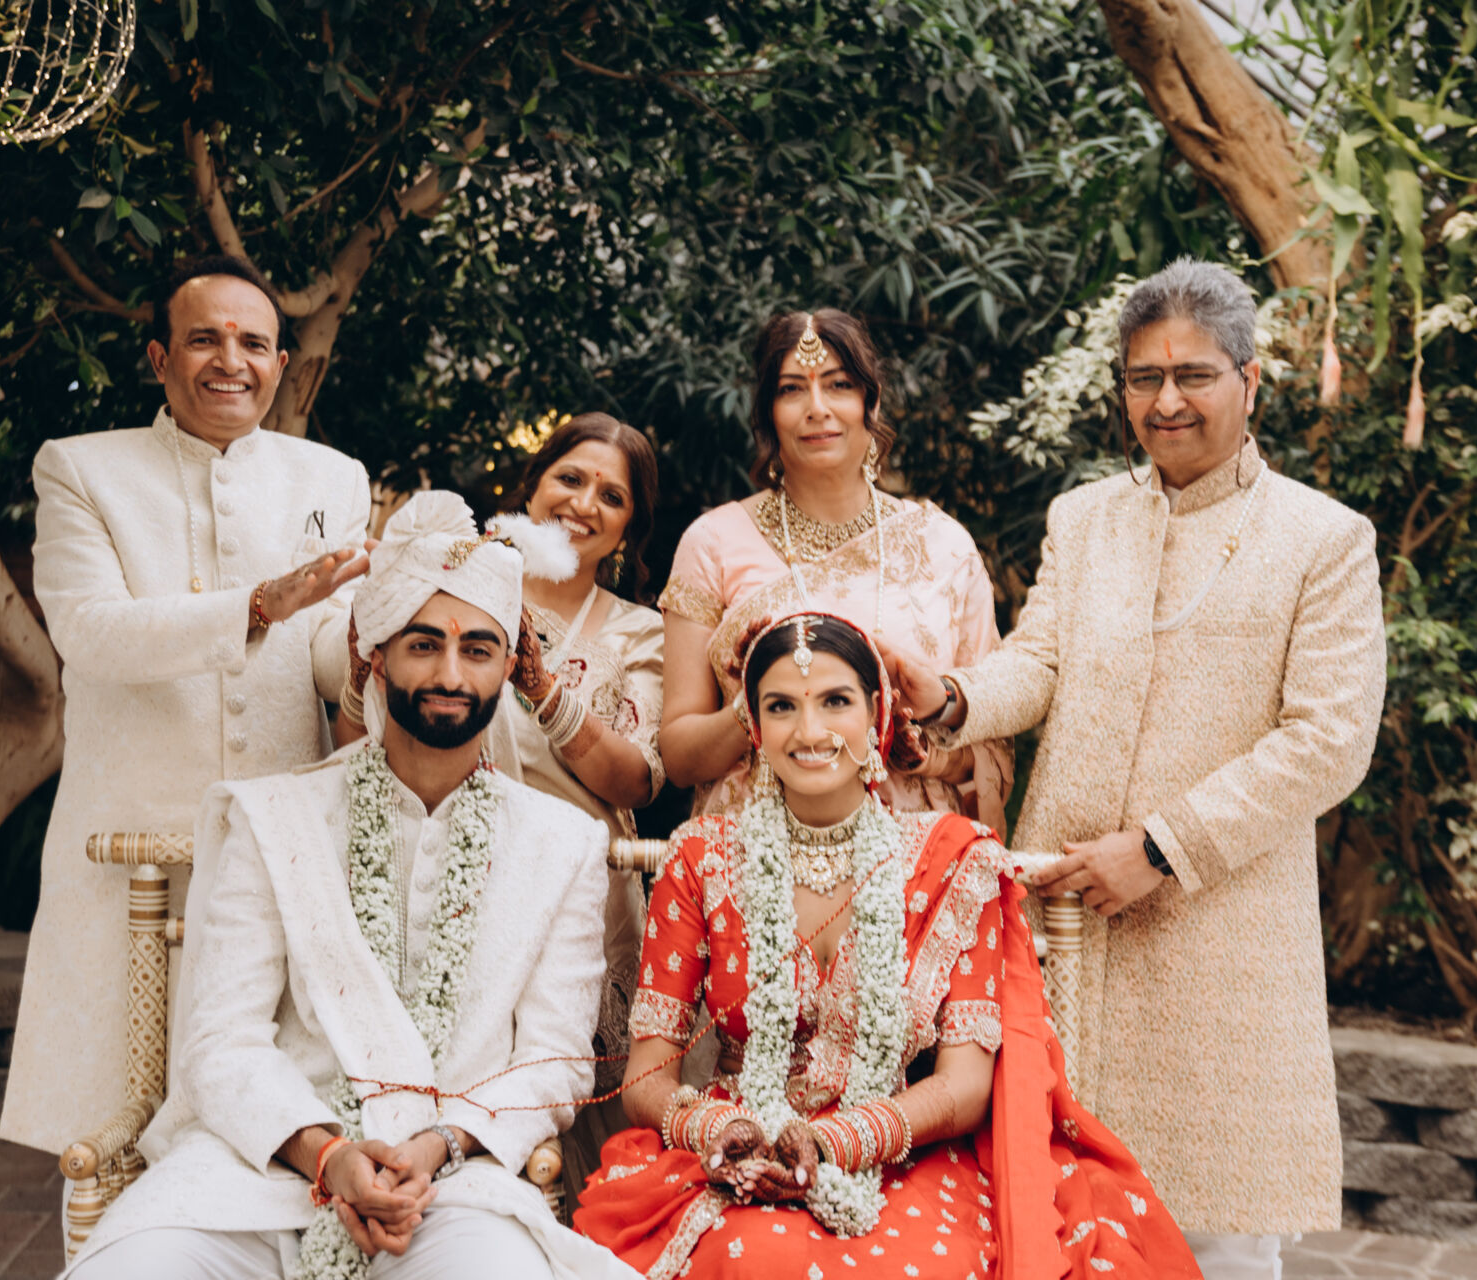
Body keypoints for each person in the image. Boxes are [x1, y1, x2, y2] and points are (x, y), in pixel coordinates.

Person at [893, 258, 1387, 1280]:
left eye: (1193, 375)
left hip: (1222, 931)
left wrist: (1160, 848)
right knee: (1048, 1207)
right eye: (1143, 377)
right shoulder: (1085, 519)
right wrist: (949, 698)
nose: (1166, 401)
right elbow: (1040, 660)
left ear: (1250, 380)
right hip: (1064, 913)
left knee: (1218, 1235)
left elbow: (1329, 738)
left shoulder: (1323, 539)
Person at [64, 490, 635, 1280]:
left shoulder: (562, 844)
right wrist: (327, 1155)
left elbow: (554, 1061)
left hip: (453, 1185)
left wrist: (435, 1146)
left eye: (477, 649)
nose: (450, 673)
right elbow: (221, 1040)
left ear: (509, 667)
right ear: (376, 655)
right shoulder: (276, 818)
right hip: (259, 1169)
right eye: (423, 644)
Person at [574, 612, 1201, 1280]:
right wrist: (717, 1132)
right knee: (751, 1257)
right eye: (781, 706)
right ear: (753, 725)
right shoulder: (702, 858)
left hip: (905, 1147)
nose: (809, 731)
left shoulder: (951, 860)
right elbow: (647, 1077)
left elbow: (965, 1084)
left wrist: (835, 1140)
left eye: (835, 702)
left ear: (876, 714)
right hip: (739, 1147)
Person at [3, 255, 373, 1163]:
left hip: (278, 848)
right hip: (125, 848)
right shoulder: (82, 469)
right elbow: (89, 631)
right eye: (205, 339)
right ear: (161, 359)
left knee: (271, 1129)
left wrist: (380, 652)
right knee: (107, 1135)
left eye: (253, 343)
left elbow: (328, 651)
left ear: (280, 364)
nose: (230, 361)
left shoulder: (333, 477)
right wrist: (258, 607)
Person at [335, 413, 666, 1202]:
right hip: (438, 878)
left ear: (628, 529)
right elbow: (364, 743)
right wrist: (361, 670)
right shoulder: (450, 589)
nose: (584, 503)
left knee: (578, 1115)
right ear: (531, 486)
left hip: (580, 898)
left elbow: (636, 782)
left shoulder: (640, 631)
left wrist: (540, 686)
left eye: (612, 496)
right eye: (570, 479)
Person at [656, 309, 1013, 835]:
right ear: (768, 413)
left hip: (917, 858)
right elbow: (680, 758)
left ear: (872, 402)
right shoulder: (712, 543)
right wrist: (752, 703)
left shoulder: (945, 547)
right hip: (759, 857)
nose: (817, 408)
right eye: (792, 389)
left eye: (839, 385)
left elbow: (994, 747)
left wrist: (923, 752)